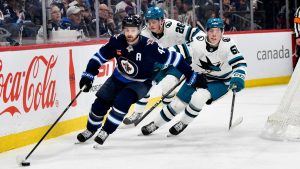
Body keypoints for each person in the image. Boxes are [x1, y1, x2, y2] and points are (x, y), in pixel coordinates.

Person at [76, 15, 207, 145]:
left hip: (140, 83)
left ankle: (106, 130)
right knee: (99, 104)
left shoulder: (149, 46)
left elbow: (176, 58)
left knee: (122, 102)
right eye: (127, 30)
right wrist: (88, 75)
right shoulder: (116, 41)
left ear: (139, 30)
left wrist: (191, 74)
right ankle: (90, 129)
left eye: (133, 30)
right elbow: (98, 57)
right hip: (117, 78)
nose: (129, 33)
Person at [141, 18, 247, 136]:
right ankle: (155, 124)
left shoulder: (228, 44)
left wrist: (238, 77)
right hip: (198, 77)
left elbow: (240, 64)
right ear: (206, 31)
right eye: (211, 31)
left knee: (199, 97)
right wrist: (161, 57)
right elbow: (179, 50)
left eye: (218, 31)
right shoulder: (198, 42)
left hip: (220, 81)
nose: (214, 34)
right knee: (177, 104)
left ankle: (183, 122)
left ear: (222, 32)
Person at [122, 6, 204, 126]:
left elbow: (198, 34)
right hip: (160, 62)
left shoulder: (173, 26)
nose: (151, 25)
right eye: (149, 22)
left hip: (178, 61)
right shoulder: (145, 33)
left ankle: (166, 111)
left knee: (168, 84)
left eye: (154, 22)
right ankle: (138, 112)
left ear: (162, 21)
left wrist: (184, 49)